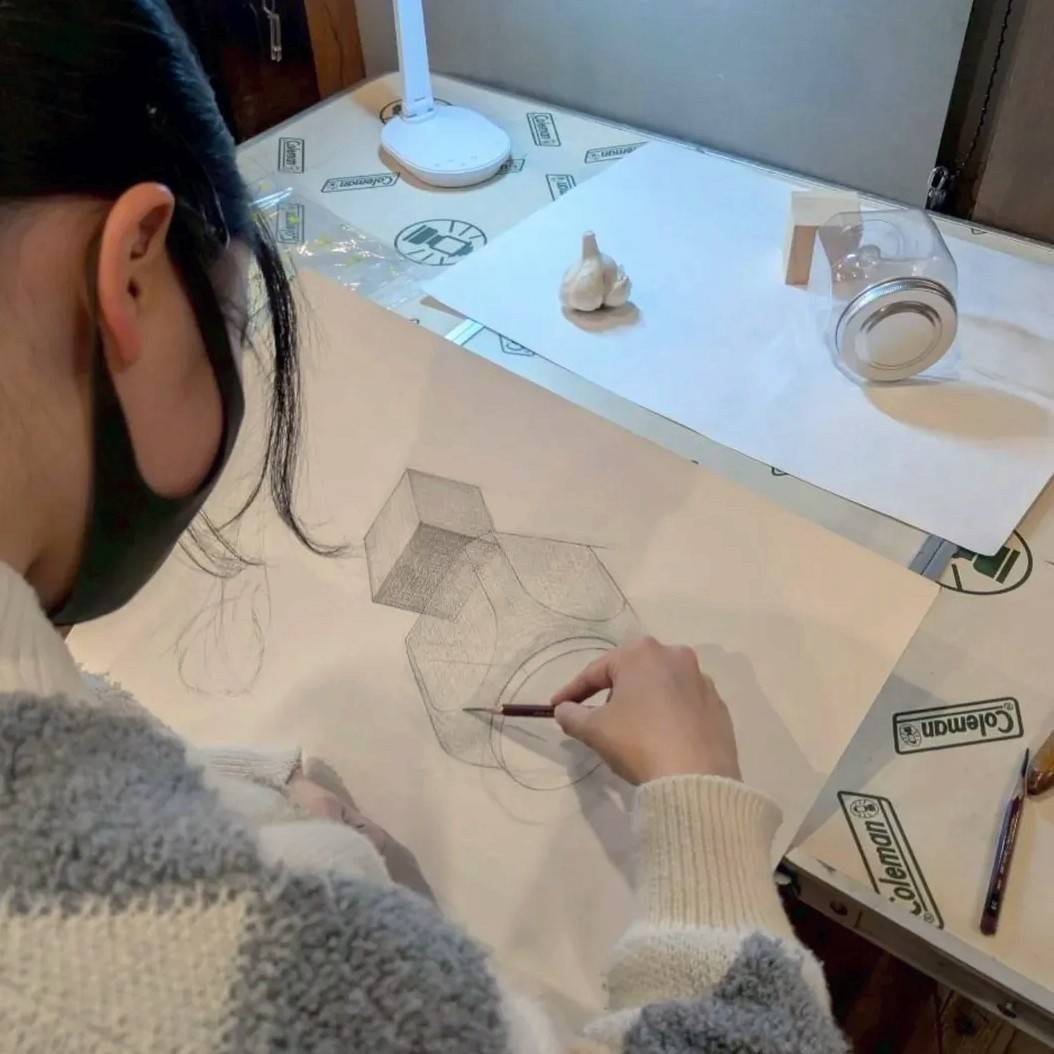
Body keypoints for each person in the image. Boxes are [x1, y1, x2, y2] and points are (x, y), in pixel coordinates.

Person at [0, 2, 848, 1051]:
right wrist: (698, 805)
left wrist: (237, 794)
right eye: (228, 317)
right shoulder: (245, 964)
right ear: (133, 271)